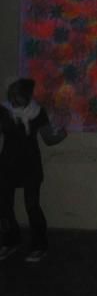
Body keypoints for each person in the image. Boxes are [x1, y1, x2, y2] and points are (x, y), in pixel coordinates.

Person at [0, 78, 66, 262]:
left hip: (30, 165)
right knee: (4, 206)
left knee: (32, 206)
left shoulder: (37, 112)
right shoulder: (3, 111)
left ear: (27, 96)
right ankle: (10, 241)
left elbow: (48, 139)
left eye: (18, 96)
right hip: (7, 164)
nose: (14, 99)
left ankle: (39, 246)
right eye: (12, 96)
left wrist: (61, 135)